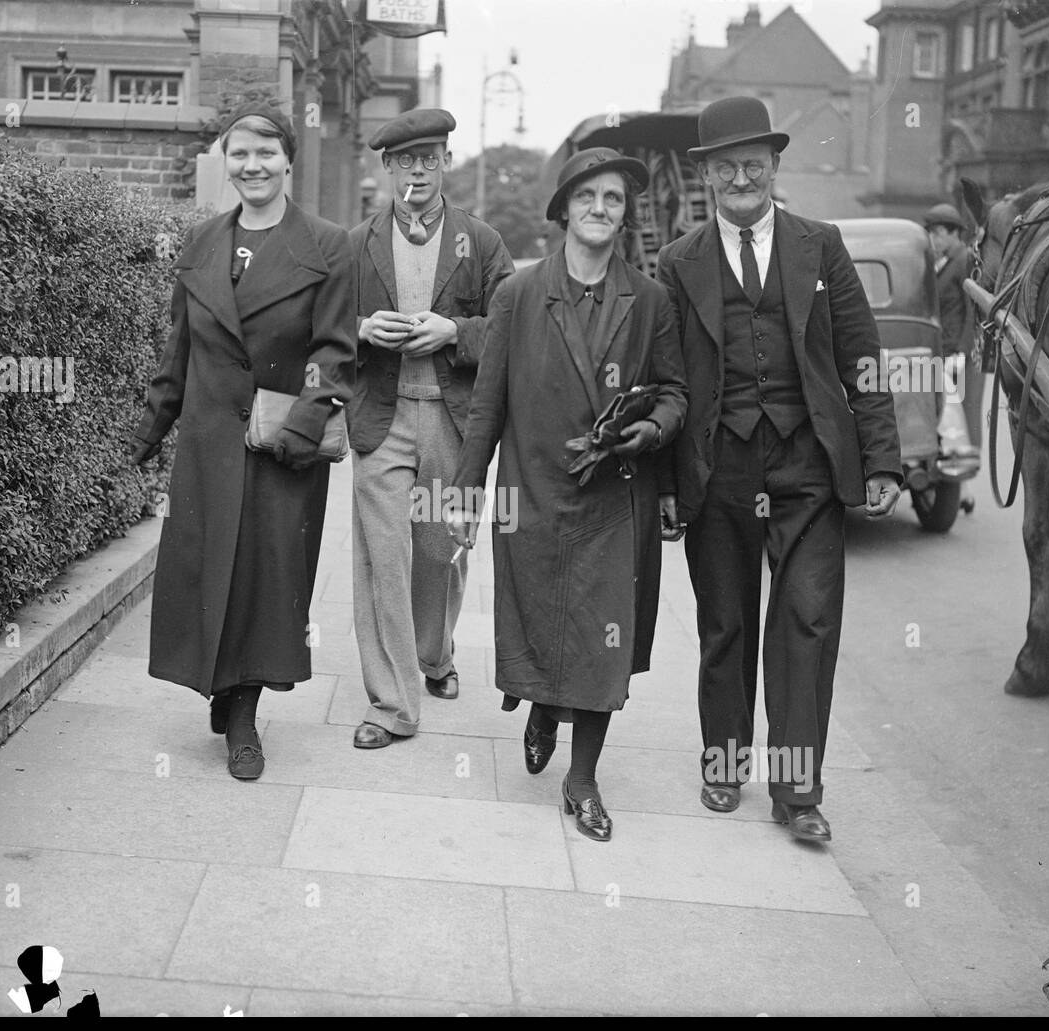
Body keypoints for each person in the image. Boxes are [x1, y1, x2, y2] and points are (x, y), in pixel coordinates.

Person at [655, 97, 901, 843]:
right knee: (725, 624)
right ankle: (724, 766)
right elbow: (665, 377)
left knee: (807, 622)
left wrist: (881, 457)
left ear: (773, 166)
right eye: (725, 165)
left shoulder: (819, 245)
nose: (741, 177)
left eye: (752, 163)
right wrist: (667, 484)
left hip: (807, 462)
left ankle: (797, 793)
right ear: (706, 176)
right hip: (718, 464)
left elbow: (861, 353)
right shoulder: (678, 261)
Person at [446, 148, 688, 842]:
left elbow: (675, 393)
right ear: (563, 210)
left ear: (623, 215)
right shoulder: (518, 297)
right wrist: (465, 496)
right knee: (539, 619)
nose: (600, 209)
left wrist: (647, 432)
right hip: (535, 490)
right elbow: (487, 407)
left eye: (614, 199)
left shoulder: (648, 301)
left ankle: (582, 779)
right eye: (588, 197)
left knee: (603, 639)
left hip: (616, 498)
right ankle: (541, 706)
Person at [130, 103, 356, 780]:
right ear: (225, 163)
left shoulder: (326, 245)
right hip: (207, 444)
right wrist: (146, 431)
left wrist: (303, 424)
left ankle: (243, 717)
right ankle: (223, 689)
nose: (252, 166)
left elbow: (334, 351)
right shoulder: (201, 243)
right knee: (210, 574)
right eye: (239, 154)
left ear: (288, 160)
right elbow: (179, 350)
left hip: (281, 447)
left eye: (265, 153)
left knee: (264, 581)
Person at [347, 108, 514, 750]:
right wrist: (362, 330)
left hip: (452, 419)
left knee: (442, 549)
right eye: (405, 160)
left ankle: (436, 654)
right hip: (381, 419)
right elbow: (323, 324)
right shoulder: (357, 242)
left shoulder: (482, 241)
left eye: (430, 157)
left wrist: (458, 332)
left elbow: (511, 323)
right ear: (386, 167)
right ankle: (391, 704)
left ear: (446, 162)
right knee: (381, 558)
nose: (418, 169)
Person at [924, 202, 982, 501]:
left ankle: (965, 490)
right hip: (944, 352)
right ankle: (959, 487)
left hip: (959, 355)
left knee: (963, 419)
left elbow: (974, 309)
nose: (933, 240)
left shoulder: (965, 258)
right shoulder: (945, 260)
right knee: (950, 422)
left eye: (938, 233)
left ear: (952, 233)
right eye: (931, 233)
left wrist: (962, 350)